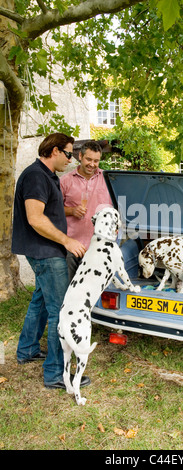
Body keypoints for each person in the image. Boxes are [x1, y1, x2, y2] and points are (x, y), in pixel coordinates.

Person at [11, 132, 90, 390]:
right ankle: (57, 373)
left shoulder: (46, 176)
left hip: (44, 250)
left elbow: (50, 211)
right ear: (54, 151)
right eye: (68, 153)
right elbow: (35, 218)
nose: (71, 159)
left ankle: (27, 349)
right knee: (60, 311)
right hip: (46, 252)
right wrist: (67, 241)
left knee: (41, 301)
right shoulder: (36, 176)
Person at [60, 140, 112, 280]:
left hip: (97, 246)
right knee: (69, 288)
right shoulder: (65, 181)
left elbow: (116, 209)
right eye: (89, 159)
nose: (92, 164)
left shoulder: (108, 180)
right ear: (80, 156)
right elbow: (53, 210)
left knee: (92, 289)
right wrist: (71, 211)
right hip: (71, 246)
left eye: (96, 161)